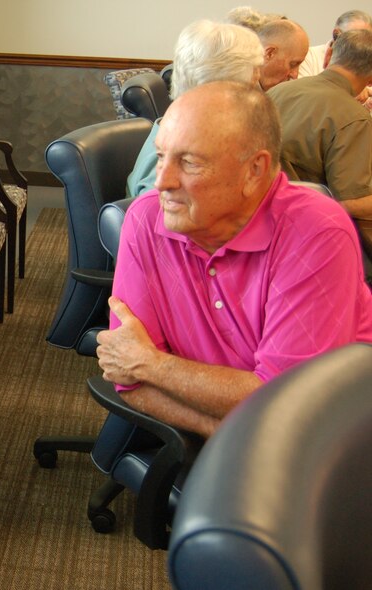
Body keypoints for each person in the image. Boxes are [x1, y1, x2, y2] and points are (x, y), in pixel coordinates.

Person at [98, 81, 372, 439]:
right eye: (162, 156)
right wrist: (233, 433)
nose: (162, 181)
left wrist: (153, 365)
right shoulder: (146, 219)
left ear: (254, 170)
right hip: (253, 438)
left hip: (334, 434)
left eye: (189, 162)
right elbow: (128, 378)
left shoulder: (316, 231)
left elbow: (290, 407)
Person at [127, 20, 264, 197]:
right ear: (226, 86)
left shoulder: (197, 133)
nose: (258, 85)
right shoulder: (171, 162)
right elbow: (161, 219)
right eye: (254, 78)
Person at [268, 29, 372, 221]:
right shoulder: (354, 119)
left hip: (262, 213)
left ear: (329, 55)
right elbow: (350, 202)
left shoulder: (278, 91)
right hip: (307, 225)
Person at [298, 9, 372, 78]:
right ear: (336, 34)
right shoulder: (309, 56)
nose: (361, 46)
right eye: (354, 38)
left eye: (367, 40)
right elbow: (302, 89)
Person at [255, 19, 310, 90]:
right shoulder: (238, 90)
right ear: (269, 53)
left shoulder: (287, 94)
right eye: (292, 64)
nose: (295, 75)